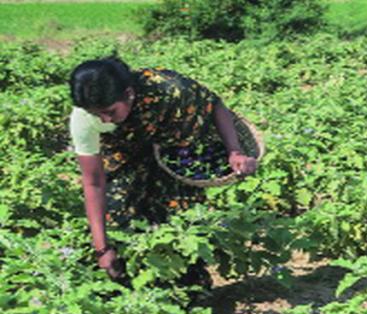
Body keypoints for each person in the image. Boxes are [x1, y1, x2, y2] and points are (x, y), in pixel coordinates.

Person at [68, 56, 259, 280]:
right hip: (125, 151)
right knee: (118, 215)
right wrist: (102, 248)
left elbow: (214, 104)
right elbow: (94, 182)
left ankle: (188, 286)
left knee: (180, 218)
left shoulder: (169, 89)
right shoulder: (83, 120)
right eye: (95, 113)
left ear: (129, 94)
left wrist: (234, 151)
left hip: (175, 145)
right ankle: (128, 283)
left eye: (110, 111)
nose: (103, 118)